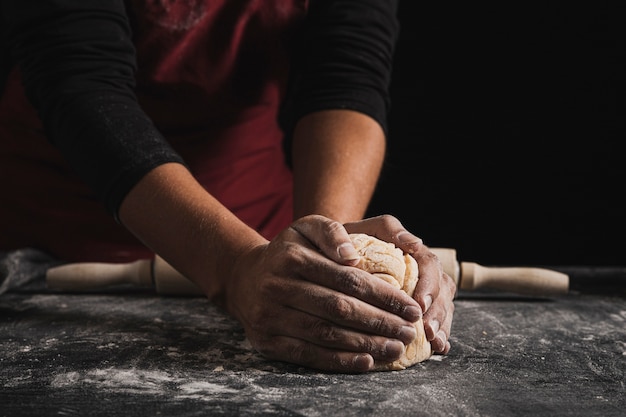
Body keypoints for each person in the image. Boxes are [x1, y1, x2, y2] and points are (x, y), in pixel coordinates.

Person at [0, 0, 455, 372]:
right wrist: (234, 268)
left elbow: (347, 68)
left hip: (258, 231)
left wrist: (326, 247)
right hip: (59, 243)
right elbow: (81, 82)